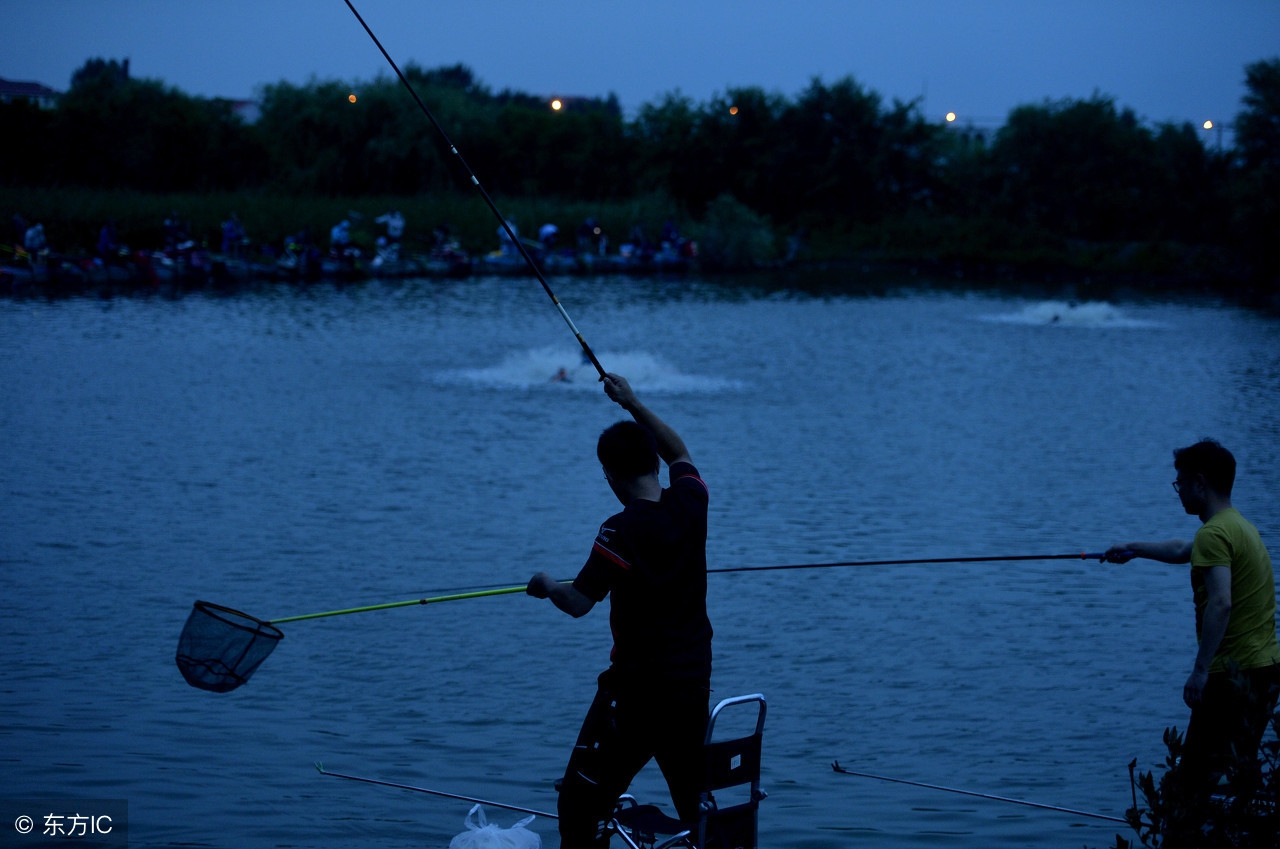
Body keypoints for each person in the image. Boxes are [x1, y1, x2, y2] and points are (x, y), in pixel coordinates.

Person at [527, 373, 712, 848]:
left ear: (609, 476)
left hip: (634, 700)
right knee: (699, 809)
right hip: (690, 691)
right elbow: (681, 451)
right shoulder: (692, 503)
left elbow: (579, 603)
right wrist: (632, 402)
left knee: (577, 806)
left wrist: (548, 584)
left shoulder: (619, 531)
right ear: (653, 461)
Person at [1104, 439, 1280, 801]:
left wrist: (1200, 671)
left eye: (1180, 483)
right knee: (1240, 775)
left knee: (1190, 790)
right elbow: (1183, 549)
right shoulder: (1239, 527)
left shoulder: (1214, 535)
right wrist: (1133, 549)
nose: (1178, 491)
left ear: (1200, 483)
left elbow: (1220, 603)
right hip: (1264, 671)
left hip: (1232, 675)